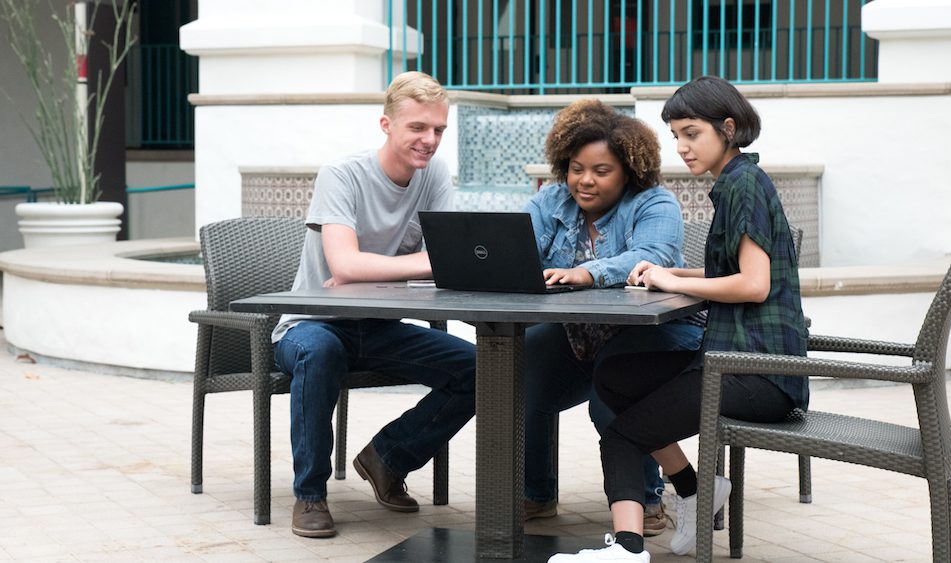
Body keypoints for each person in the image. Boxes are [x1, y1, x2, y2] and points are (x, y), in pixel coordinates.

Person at [549, 76, 809, 562]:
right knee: (614, 377)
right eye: (676, 136)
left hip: (757, 373)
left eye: (692, 133)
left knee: (622, 434)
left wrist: (675, 283)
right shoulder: (736, 181)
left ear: (728, 128)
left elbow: (753, 284)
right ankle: (697, 487)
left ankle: (626, 551)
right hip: (738, 361)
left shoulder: (743, 185)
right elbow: (728, 272)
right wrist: (669, 271)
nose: (682, 147)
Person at [271, 71, 476, 539]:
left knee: (484, 368)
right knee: (320, 352)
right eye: (418, 128)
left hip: (379, 326)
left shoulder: (434, 175)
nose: (429, 140)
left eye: (439, 130)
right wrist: (423, 261)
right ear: (386, 125)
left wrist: (384, 265)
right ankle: (309, 494)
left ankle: (388, 457)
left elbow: (450, 261)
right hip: (311, 324)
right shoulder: (342, 174)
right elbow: (343, 263)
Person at [521, 99, 704, 536]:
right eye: (576, 168)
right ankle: (535, 492)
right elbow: (517, 247)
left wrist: (587, 272)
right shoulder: (551, 199)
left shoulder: (655, 203)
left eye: (601, 171)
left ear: (628, 171)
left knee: (614, 390)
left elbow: (653, 256)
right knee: (513, 365)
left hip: (660, 336)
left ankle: (647, 499)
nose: (584, 180)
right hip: (580, 335)